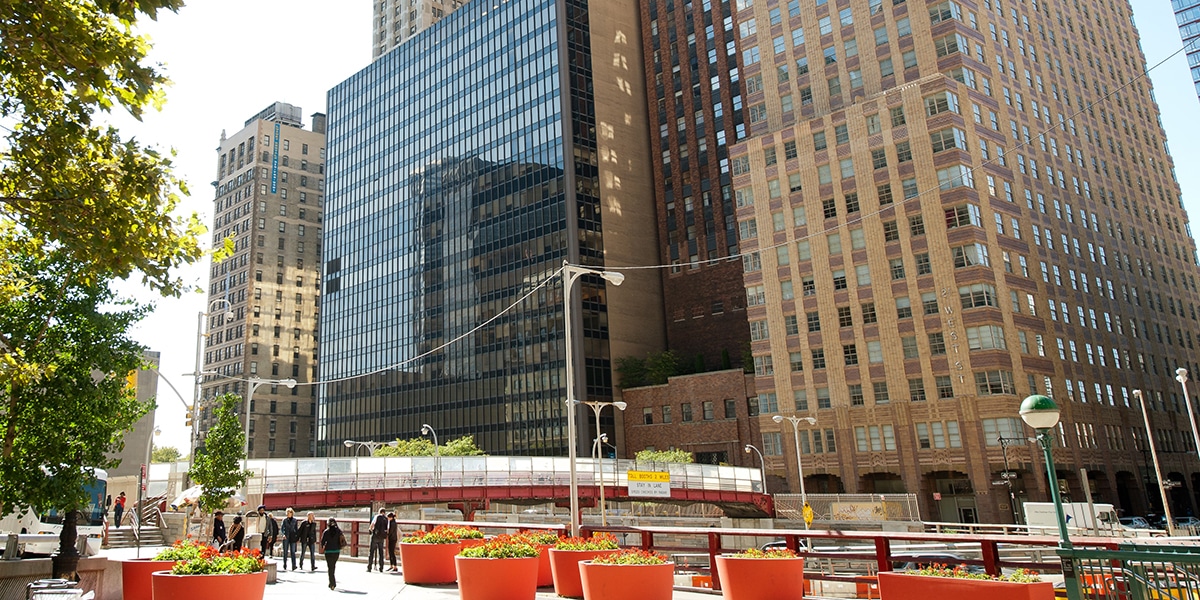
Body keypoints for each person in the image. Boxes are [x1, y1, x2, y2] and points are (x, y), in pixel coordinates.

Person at [319, 517, 345, 590]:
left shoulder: (326, 532)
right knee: (333, 566)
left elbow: (322, 542)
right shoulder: (339, 531)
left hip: (328, 551)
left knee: (330, 567)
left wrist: (323, 547)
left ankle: (332, 583)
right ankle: (332, 583)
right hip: (336, 551)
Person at [367, 507, 387, 572]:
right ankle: (381, 567)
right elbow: (387, 528)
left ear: (379, 512)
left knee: (371, 552)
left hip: (375, 536)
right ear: (384, 512)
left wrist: (370, 530)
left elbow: (372, 525)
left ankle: (369, 567)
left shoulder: (377, 516)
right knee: (381, 552)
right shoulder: (386, 518)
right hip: (382, 537)